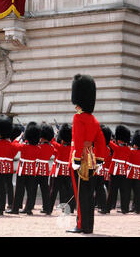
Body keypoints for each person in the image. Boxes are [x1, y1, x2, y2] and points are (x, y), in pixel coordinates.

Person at [67, 74, 106, 234]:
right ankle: (89, 225)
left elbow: (77, 139)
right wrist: (99, 159)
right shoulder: (94, 119)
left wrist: (76, 159)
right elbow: (101, 142)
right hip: (91, 159)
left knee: (80, 194)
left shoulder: (78, 118)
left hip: (80, 159)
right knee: (89, 194)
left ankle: (81, 224)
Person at [7, 122, 41, 215]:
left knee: (19, 191)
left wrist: (21, 136)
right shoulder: (38, 148)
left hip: (22, 170)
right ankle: (28, 209)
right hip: (32, 171)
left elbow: (14, 144)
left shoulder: (24, 146)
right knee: (30, 191)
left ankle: (15, 209)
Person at [49, 123, 75, 214]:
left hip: (58, 171)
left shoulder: (59, 147)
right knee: (68, 192)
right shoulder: (71, 148)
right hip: (68, 172)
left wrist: (56, 134)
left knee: (53, 191)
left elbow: (51, 141)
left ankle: (49, 209)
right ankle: (69, 209)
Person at [106, 125, 131, 214]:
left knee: (112, 192)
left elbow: (108, 141)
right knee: (124, 192)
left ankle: (107, 208)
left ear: (119, 140)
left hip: (115, 173)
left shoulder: (116, 148)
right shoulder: (128, 149)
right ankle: (125, 208)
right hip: (124, 173)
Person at [35, 123, 55, 214]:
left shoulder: (38, 146)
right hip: (45, 170)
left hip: (36, 169)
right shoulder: (51, 147)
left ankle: (29, 207)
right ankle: (47, 208)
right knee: (45, 190)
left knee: (32, 190)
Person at [127, 130, 140, 214]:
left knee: (129, 191)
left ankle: (131, 206)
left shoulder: (131, 151)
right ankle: (137, 207)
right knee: (138, 192)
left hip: (131, 173)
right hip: (138, 175)